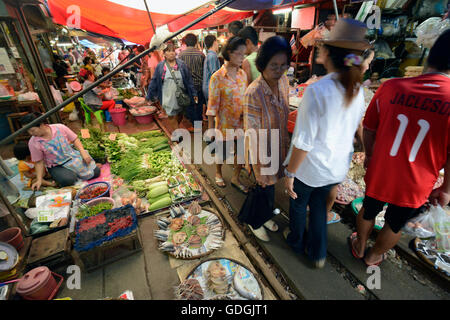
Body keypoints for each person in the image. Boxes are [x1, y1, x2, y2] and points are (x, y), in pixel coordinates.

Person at [349, 29, 450, 267]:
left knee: (369, 209)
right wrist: (446, 188)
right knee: (395, 223)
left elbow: (369, 128)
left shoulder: (391, 88)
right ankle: (374, 256)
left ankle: (360, 245)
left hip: (382, 170)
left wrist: (370, 155)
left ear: (428, 57)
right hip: (417, 182)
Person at [283, 19, 370, 268]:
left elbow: (304, 141)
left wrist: (290, 172)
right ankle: (318, 253)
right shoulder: (356, 89)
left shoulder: (318, 90)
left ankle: (296, 241)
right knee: (320, 209)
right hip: (335, 167)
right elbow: (356, 128)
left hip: (310, 168)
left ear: (329, 53)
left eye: (323, 45)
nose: (319, 47)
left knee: (299, 205)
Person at [243, 36, 292, 241]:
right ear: (263, 64)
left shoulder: (284, 82)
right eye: (274, 65)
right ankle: (255, 221)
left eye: (283, 65)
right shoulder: (253, 92)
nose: (279, 70)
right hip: (261, 150)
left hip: (279, 145)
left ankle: (264, 215)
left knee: (271, 187)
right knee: (263, 185)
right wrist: (258, 168)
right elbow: (252, 133)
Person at [206, 36, 248, 192]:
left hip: (241, 121)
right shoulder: (217, 77)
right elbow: (212, 105)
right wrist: (210, 128)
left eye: (244, 54)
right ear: (229, 53)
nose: (242, 57)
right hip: (224, 123)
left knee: (241, 151)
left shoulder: (243, 75)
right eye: (239, 54)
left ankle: (236, 177)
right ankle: (218, 172)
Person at [20, 113, 101, 189]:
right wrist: (39, 179)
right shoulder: (33, 142)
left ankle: (76, 173)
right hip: (56, 166)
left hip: (71, 157)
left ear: (41, 124)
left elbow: (75, 139)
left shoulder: (59, 127)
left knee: (96, 172)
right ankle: (68, 175)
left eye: (32, 130)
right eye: (28, 131)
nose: (30, 133)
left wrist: (83, 153)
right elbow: (39, 162)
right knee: (69, 180)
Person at [147, 42, 197, 132]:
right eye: (169, 51)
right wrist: (149, 95)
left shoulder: (182, 64)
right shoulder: (161, 66)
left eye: (173, 51)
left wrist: (193, 93)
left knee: (180, 113)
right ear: (164, 53)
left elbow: (189, 80)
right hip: (167, 95)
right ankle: (177, 134)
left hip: (181, 94)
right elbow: (154, 81)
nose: (171, 53)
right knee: (170, 114)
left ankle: (176, 128)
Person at [179, 33, 205, 130]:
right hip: (199, 85)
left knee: (189, 105)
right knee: (198, 105)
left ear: (185, 42)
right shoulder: (201, 54)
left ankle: (195, 125)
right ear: (196, 42)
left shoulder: (181, 55)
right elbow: (204, 70)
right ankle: (198, 122)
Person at [202, 35, 221, 121]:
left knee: (211, 112)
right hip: (211, 88)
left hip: (207, 87)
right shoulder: (212, 56)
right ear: (214, 42)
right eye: (217, 42)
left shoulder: (209, 55)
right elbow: (215, 74)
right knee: (214, 114)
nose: (218, 44)